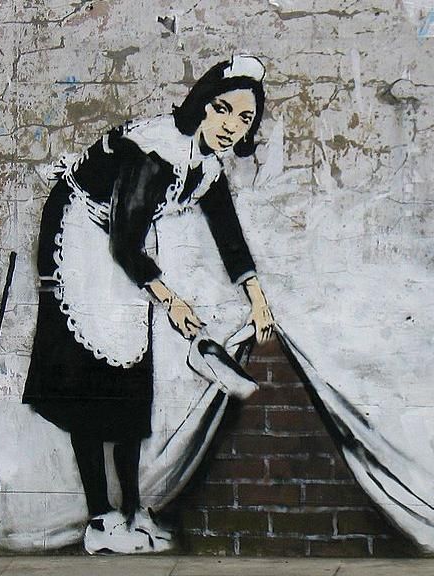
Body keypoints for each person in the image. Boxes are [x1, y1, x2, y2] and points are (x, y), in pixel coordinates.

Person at [22, 55, 275, 555]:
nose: (230, 126)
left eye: (244, 119)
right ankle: (100, 518)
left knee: (130, 377)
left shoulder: (206, 164)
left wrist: (258, 300)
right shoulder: (156, 151)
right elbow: (122, 244)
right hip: (80, 233)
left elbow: (229, 236)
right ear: (202, 105)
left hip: (122, 238)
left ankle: (135, 512)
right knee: (90, 378)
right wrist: (171, 300)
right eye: (222, 110)